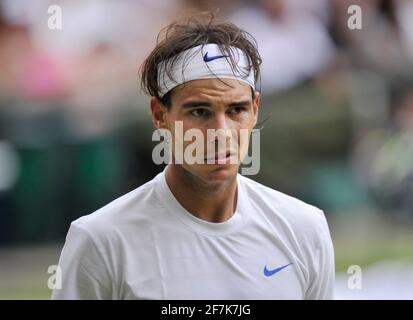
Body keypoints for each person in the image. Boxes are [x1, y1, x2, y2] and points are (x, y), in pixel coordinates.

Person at [51, 14, 335, 300]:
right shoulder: (100, 240)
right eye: (199, 111)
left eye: (236, 109)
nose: (220, 132)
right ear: (160, 115)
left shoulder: (305, 229)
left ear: (255, 109)